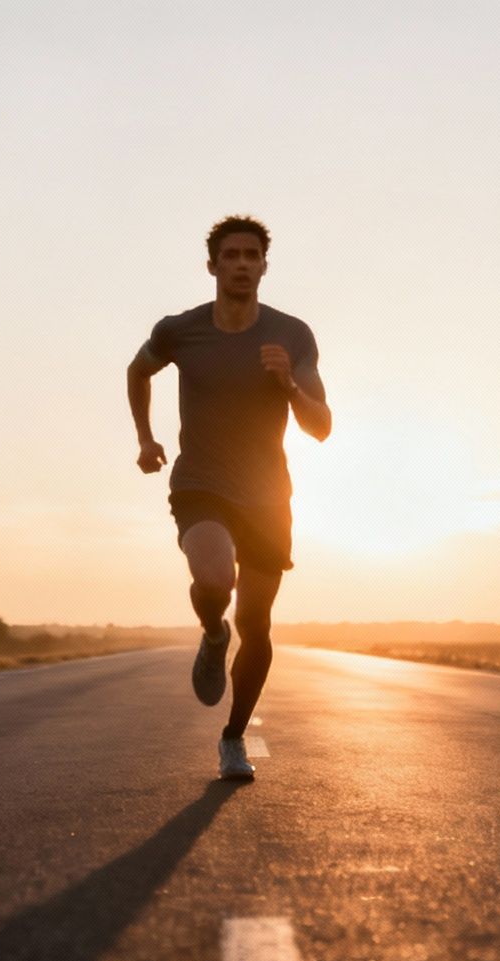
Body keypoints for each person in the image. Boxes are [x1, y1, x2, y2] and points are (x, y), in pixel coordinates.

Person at [127, 215, 333, 780]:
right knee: (217, 580)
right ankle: (213, 633)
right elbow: (137, 371)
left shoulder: (293, 336)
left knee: (259, 624)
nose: (242, 264)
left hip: (269, 497)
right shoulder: (180, 330)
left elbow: (322, 426)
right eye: (231, 255)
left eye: (252, 255)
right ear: (212, 266)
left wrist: (289, 384)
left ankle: (233, 737)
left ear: (264, 266)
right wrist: (146, 439)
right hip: (201, 485)